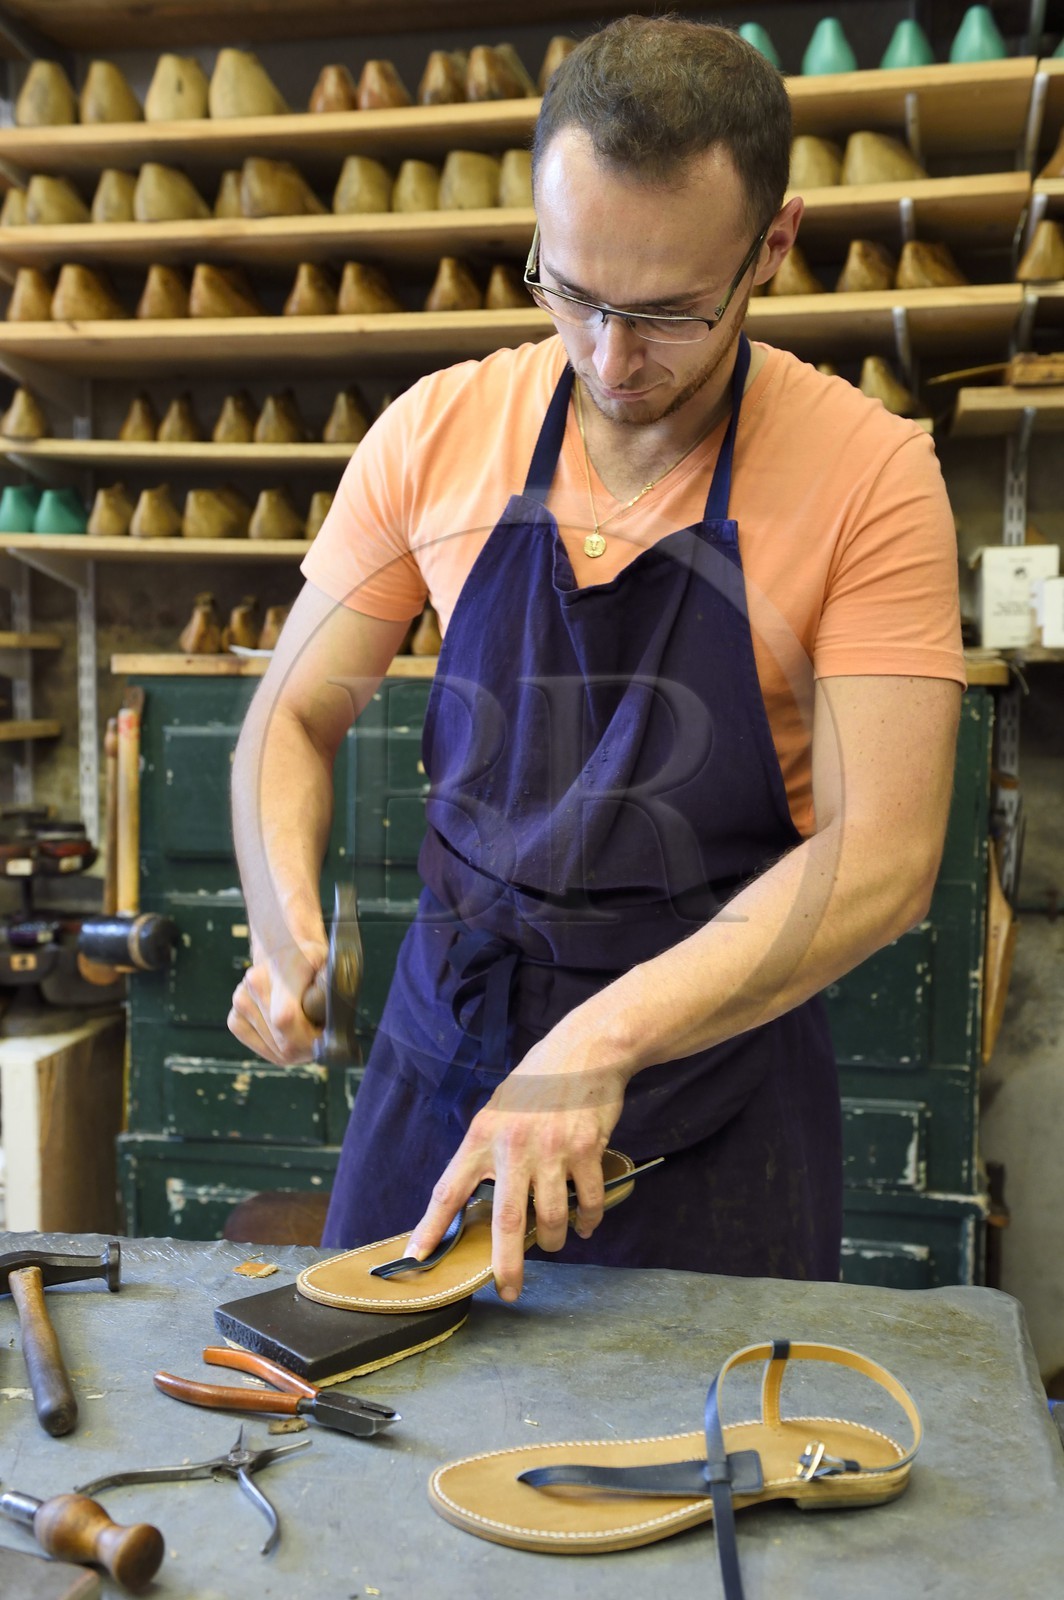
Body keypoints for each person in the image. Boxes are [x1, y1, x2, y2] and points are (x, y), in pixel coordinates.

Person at [229, 16, 964, 1299]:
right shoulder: (436, 432)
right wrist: (284, 920)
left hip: (702, 1082)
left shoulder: (870, 475)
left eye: (668, 313)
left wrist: (605, 1037)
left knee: (693, 1472)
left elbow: (885, 859)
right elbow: (287, 723)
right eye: (568, 290)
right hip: (443, 1043)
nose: (610, 359)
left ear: (771, 247)